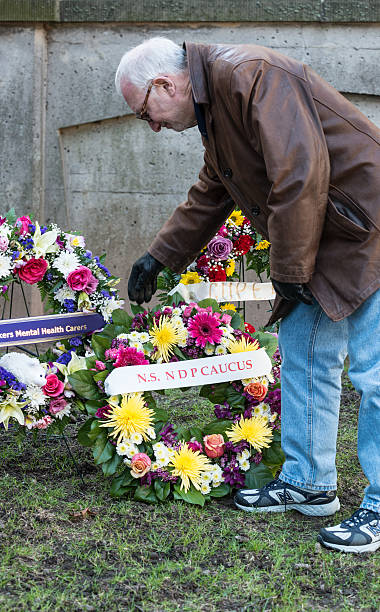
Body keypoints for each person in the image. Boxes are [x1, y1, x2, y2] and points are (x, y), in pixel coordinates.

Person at [115, 37, 380, 553]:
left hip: (367, 225)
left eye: (145, 112)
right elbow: (215, 189)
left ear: (165, 84)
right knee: (304, 357)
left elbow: (299, 172)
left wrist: (289, 267)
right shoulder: (218, 100)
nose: (151, 126)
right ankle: (309, 483)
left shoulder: (247, 74)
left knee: (375, 371)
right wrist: (160, 256)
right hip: (325, 232)